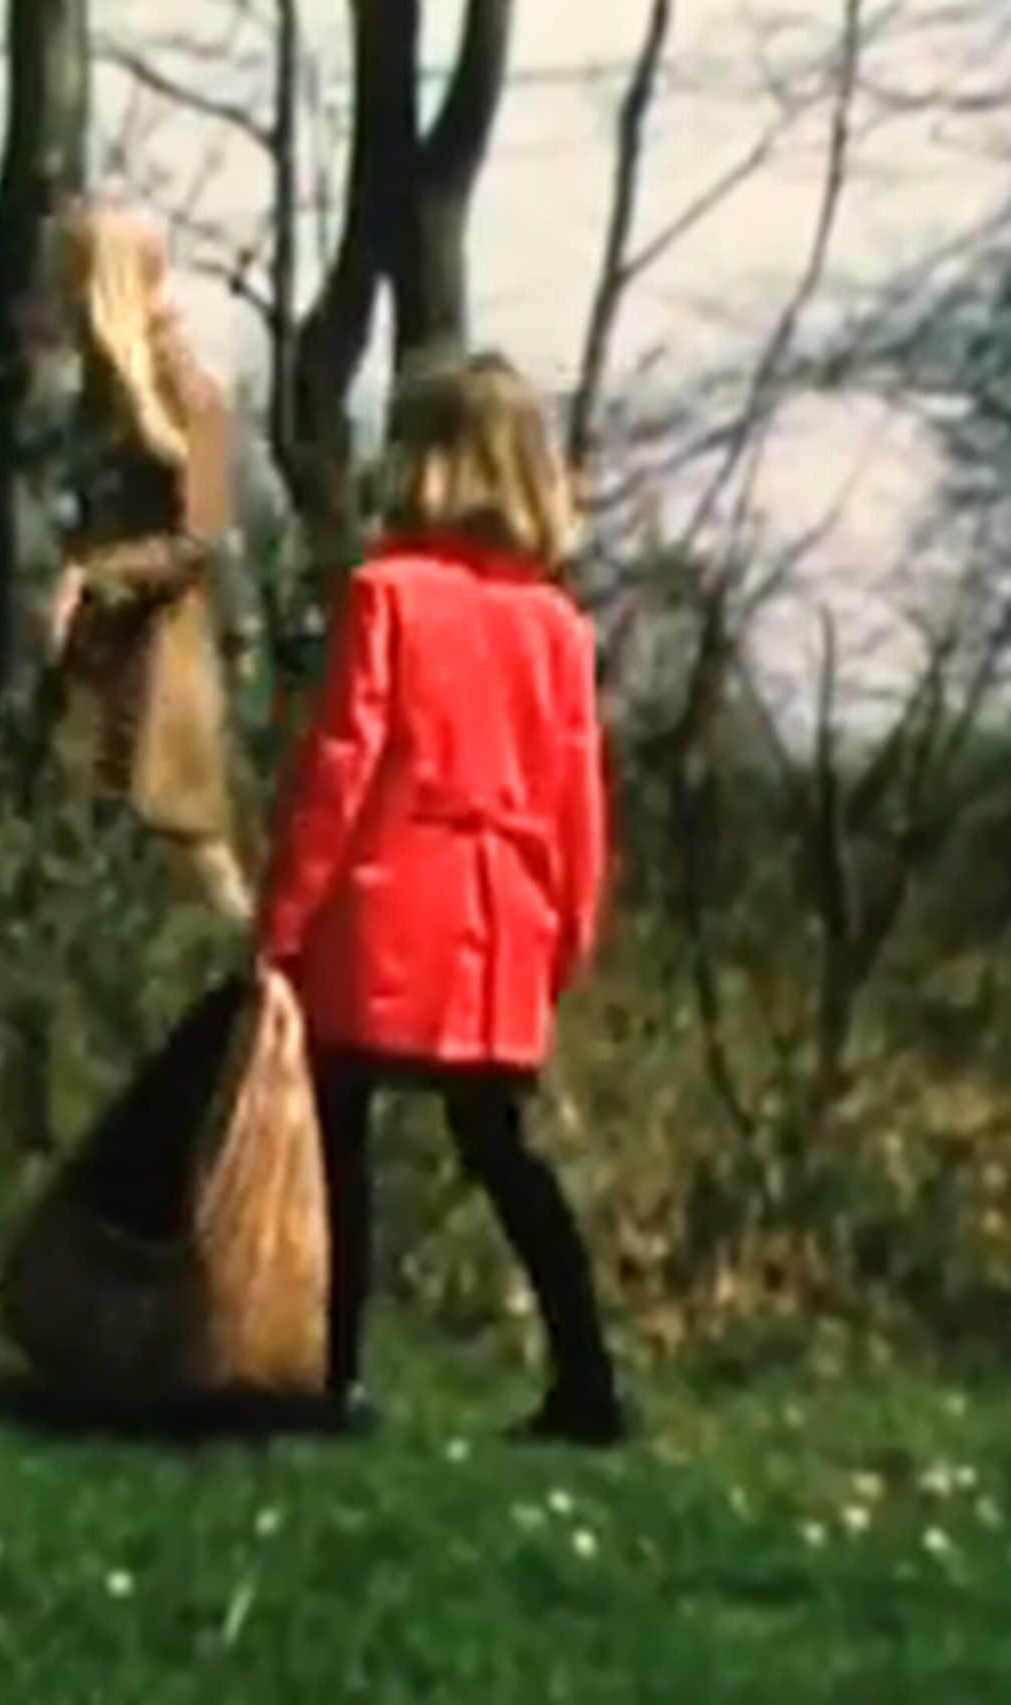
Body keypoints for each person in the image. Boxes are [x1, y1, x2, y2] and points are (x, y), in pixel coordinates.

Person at [253, 351, 630, 1448]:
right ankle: (586, 1375)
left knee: (338, 1132)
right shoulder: (554, 625)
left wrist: (282, 920)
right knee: (503, 1148)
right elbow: (576, 797)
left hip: (386, 903)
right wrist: (567, 930)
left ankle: (334, 1376)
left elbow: (340, 768)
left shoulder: (387, 596)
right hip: (504, 915)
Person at [39, 202, 248, 919]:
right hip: (99, 658)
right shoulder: (98, 396)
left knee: (196, 851)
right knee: (86, 863)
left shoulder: (189, 392)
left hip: (164, 659)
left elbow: (198, 543)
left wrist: (93, 576)